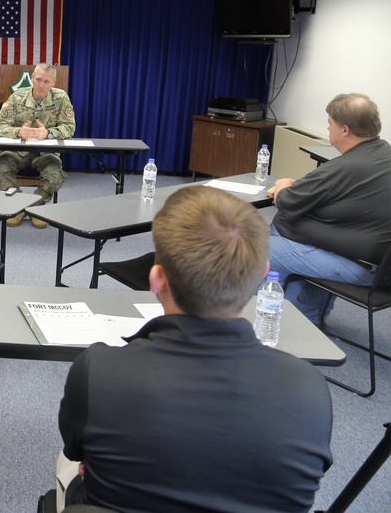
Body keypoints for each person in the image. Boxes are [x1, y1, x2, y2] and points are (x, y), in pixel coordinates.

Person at [58, 186, 332, 513]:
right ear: (262, 275)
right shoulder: (310, 387)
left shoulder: (98, 370)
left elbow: (77, 453)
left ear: (157, 279)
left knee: (68, 463)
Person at [266, 93, 391, 324]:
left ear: (345, 130)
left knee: (259, 249)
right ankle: (306, 317)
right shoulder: (384, 154)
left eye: (329, 123)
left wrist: (283, 184)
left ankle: (272, 323)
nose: (328, 128)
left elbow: (289, 202)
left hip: (359, 266)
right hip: (379, 265)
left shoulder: (345, 166)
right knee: (291, 236)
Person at [0, 63, 75, 227]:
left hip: (46, 153)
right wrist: (18, 132)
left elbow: (69, 127)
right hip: (17, 152)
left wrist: (48, 133)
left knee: (54, 173)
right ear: (32, 78)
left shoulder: (61, 98)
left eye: (46, 81)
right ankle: (18, 206)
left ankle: (35, 207)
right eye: (38, 79)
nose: (41, 85)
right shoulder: (17, 98)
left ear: (54, 82)